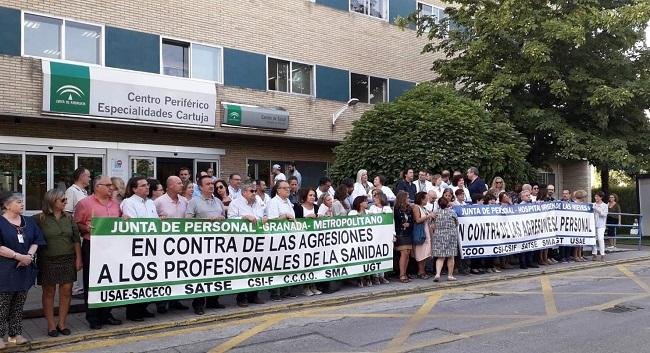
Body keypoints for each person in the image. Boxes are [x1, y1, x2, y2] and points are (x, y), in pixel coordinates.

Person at [74, 176, 123, 329]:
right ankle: (93, 316)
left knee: (110, 280)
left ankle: (106, 313)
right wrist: (86, 228)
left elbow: (119, 222)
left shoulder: (116, 204)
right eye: (108, 185)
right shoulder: (85, 203)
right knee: (93, 281)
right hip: (93, 245)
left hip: (112, 246)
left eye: (112, 186)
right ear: (97, 187)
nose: (111, 188)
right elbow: (76, 225)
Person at [33, 189, 81, 337]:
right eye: (63, 200)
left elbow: (76, 239)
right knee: (48, 292)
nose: (66, 202)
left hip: (68, 258)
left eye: (66, 199)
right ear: (52, 201)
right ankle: (51, 325)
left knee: (66, 290)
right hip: (47, 259)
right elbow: (33, 239)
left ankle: (62, 323)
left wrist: (78, 259)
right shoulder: (38, 219)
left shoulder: (69, 218)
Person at [0, 193, 46, 347]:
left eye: (22, 201)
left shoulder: (29, 221)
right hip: (5, 270)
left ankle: (15, 335)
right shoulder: (1, 222)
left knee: (18, 304)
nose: (22, 204)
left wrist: (29, 256)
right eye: (18, 202)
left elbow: (36, 240)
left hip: (24, 268)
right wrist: (18, 256)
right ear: (7, 205)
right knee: (3, 305)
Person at [186, 175, 226, 315]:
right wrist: (205, 221)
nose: (211, 186)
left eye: (212, 183)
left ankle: (213, 300)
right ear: (200, 187)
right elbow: (187, 221)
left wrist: (222, 219)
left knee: (216, 271)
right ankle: (198, 304)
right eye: (208, 184)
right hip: (200, 243)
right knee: (201, 274)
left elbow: (225, 218)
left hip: (218, 243)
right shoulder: (193, 202)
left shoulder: (218, 202)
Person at [121, 177, 159, 322]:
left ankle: (143, 307)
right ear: (134, 189)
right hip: (136, 246)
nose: (147, 187)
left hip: (151, 245)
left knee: (148, 277)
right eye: (143, 185)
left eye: (147, 185)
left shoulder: (150, 202)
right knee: (136, 278)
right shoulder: (128, 202)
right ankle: (133, 311)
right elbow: (133, 225)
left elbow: (155, 222)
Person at [154, 176, 190, 314]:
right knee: (164, 273)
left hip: (181, 244)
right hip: (164, 244)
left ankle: (175, 301)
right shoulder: (159, 202)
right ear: (169, 186)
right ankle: (161, 303)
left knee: (177, 272)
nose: (182, 185)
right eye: (179, 183)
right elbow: (150, 220)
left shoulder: (185, 201)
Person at [228, 182, 266, 307]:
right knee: (243, 269)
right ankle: (242, 297)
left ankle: (254, 295)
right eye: (251, 191)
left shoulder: (258, 203)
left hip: (257, 241)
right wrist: (244, 217)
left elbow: (262, 217)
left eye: (255, 191)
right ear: (244, 192)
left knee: (257, 268)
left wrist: (265, 218)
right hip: (241, 242)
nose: (254, 193)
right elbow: (230, 220)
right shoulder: (235, 203)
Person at [267, 180, 297, 301]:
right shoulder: (273, 202)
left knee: (287, 265)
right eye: (285, 188)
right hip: (277, 239)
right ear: (278, 190)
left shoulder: (288, 201)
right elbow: (271, 221)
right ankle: (275, 293)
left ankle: (285, 291)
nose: (288, 190)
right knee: (277, 266)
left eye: (288, 188)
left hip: (288, 238)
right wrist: (283, 217)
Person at [64, 167, 89, 299]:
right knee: (77, 259)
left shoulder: (84, 192)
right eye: (88, 176)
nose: (89, 179)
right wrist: (73, 230)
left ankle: (81, 286)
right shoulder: (71, 191)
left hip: (83, 230)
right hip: (76, 231)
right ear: (81, 176)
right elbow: (67, 212)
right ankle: (76, 289)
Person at [293, 188, 323, 296]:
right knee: (305, 263)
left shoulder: (316, 207)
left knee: (314, 263)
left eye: (314, 195)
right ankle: (305, 287)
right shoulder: (298, 208)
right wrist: (306, 218)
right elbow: (296, 222)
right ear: (305, 196)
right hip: (302, 240)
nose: (313, 197)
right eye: (310, 195)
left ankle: (313, 285)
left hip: (315, 240)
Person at [432, 196, 459, 282]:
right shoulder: (452, 212)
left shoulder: (435, 213)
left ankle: (437, 274)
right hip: (450, 235)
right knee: (450, 257)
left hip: (439, 235)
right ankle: (450, 275)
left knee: (440, 257)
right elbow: (456, 223)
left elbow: (432, 225)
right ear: (447, 203)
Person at [412, 192, 434, 280]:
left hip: (426, 231)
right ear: (421, 199)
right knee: (421, 252)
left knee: (426, 253)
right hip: (420, 232)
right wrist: (429, 216)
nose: (427, 199)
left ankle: (423, 271)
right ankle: (420, 272)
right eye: (426, 198)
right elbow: (417, 220)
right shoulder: (416, 207)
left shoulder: (424, 208)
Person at [394, 191, 413, 283]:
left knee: (408, 254)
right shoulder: (396, 209)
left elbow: (412, 221)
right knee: (404, 253)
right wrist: (402, 225)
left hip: (408, 233)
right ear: (402, 198)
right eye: (407, 197)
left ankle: (405, 273)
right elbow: (395, 221)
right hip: (400, 234)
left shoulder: (409, 208)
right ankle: (401, 274)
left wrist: (409, 224)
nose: (409, 199)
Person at [572, 190, 589, 262]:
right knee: (577, 242)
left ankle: (580, 255)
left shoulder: (583, 204)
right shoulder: (574, 204)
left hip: (582, 224)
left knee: (581, 241)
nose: (585, 198)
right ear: (581, 197)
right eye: (584, 197)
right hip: (576, 224)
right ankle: (575, 256)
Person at [592, 191, 608, 262]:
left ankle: (602, 255)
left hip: (601, 225)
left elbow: (604, 214)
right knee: (593, 239)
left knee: (600, 239)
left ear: (601, 197)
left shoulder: (605, 205)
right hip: (593, 224)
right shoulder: (593, 204)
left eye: (597, 196)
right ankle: (594, 254)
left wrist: (597, 210)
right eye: (595, 196)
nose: (596, 198)